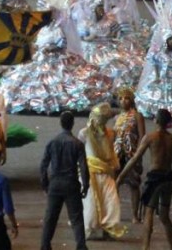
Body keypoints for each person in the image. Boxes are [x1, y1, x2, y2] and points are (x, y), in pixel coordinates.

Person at [116, 108, 172, 250]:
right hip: (168, 179)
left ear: (156, 121)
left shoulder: (150, 137)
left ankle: (145, 247)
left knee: (148, 212)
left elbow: (135, 158)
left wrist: (121, 176)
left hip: (155, 179)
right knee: (165, 216)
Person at [39, 111, 90, 250]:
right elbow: (84, 167)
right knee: (76, 218)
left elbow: (43, 166)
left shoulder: (52, 142)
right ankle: (81, 245)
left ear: (60, 123)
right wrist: (85, 185)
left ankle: (45, 245)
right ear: (72, 124)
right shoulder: (78, 144)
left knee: (50, 217)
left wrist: (45, 185)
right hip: (71, 183)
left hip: (55, 183)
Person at [79, 103, 127, 240]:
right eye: (99, 120)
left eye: (103, 121)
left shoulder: (111, 134)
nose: (101, 123)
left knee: (111, 202)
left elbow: (111, 153)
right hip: (90, 173)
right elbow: (80, 154)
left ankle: (109, 229)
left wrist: (115, 169)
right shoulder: (84, 133)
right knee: (91, 203)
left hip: (107, 173)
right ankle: (89, 230)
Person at [112, 87, 145, 222]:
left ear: (131, 100)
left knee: (134, 185)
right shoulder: (117, 117)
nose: (123, 101)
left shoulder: (137, 116)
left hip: (132, 154)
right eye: (121, 99)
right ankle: (114, 213)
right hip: (117, 154)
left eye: (126, 98)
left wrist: (139, 153)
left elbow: (142, 136)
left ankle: (135, 215)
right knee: (114, 184)